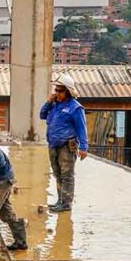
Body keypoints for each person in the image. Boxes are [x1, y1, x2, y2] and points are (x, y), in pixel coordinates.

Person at [39, 74, 88, 212]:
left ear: (68, 91)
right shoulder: (55, 105)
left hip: (67, 145)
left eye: (60, 91)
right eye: (56, 90)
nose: (57, 93)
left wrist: (84, 147)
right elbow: (42, 115)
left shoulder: (75, 108)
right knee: (58, 173)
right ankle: (60, 200)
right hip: (53, 144)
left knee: (67, 175)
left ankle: (66, 203)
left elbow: (82, 128)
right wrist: (49, 102)